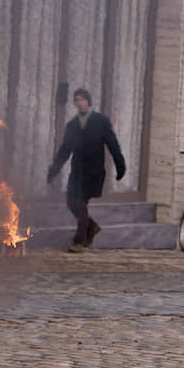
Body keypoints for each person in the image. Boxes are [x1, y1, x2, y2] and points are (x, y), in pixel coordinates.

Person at [47, 88, 125, 253]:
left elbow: (112, 143)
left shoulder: (100, 121)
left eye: (82, 99)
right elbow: (65, 150)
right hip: (77, 171)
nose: (79, 102)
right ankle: (92, 227)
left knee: (81, 204)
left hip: (93, 171)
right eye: (76, 100)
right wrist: (54, 169)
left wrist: (120, 165)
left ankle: (78, 241)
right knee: (71, 202)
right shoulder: (72, 125)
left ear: (88, 101)